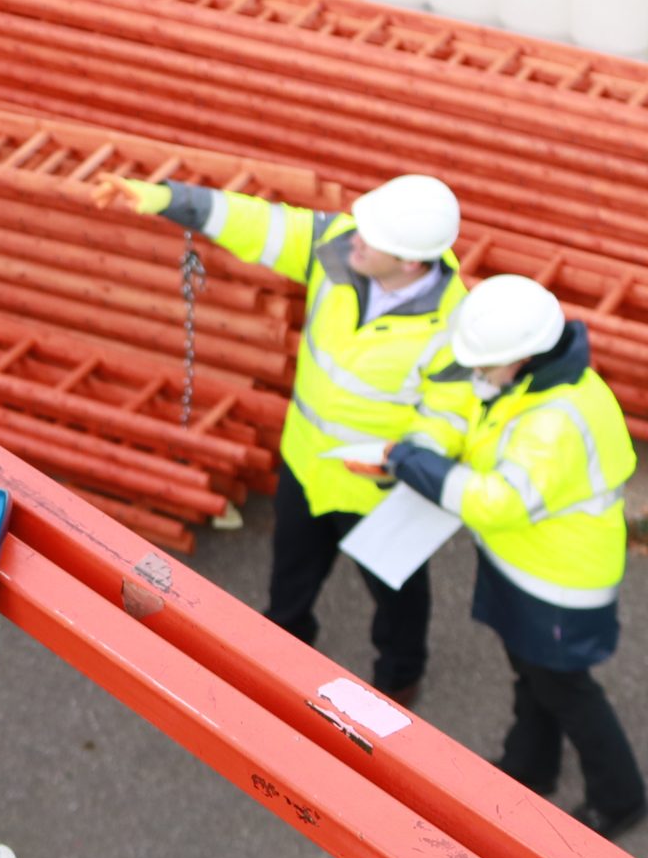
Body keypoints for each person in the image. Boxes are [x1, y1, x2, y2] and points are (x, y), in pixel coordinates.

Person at [117, 172, 469, 703]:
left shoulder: (454, 327)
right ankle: (284, 643)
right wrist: (172, 199)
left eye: (369, 239)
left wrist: (407, 459)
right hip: (305, 465)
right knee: (290, 574)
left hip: (378, 493)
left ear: (412, 264)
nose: (354, 238)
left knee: (396, 593)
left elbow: (451, 416)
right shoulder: (342, 245)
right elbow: (261, 223)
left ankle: (401, 673)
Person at [384, 274, 648, 840]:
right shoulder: (537, 387)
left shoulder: (552, 419)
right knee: (532, 675)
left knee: (565, 689)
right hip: (534, 570)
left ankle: (619, 798)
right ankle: (529, 766)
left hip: (558, 583)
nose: (478, 378)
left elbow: (497, 501)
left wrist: (415, 466)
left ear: (523, 356)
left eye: (485, 367)